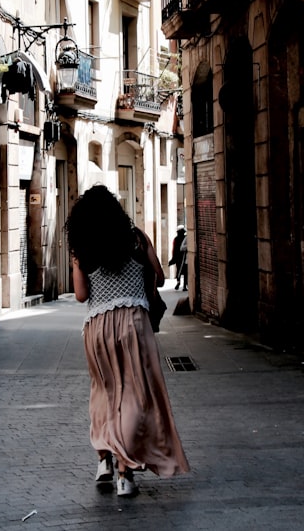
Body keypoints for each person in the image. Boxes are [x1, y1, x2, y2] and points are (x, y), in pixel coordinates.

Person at [65, 185, 190, 497]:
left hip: (96, 328)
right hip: (134, 323)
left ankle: (104, 459)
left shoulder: (81, 246)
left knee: (104, 392)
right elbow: (160, 277)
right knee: (134, 395)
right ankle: (124, 472)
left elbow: (81, 295)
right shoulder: (136, 238)